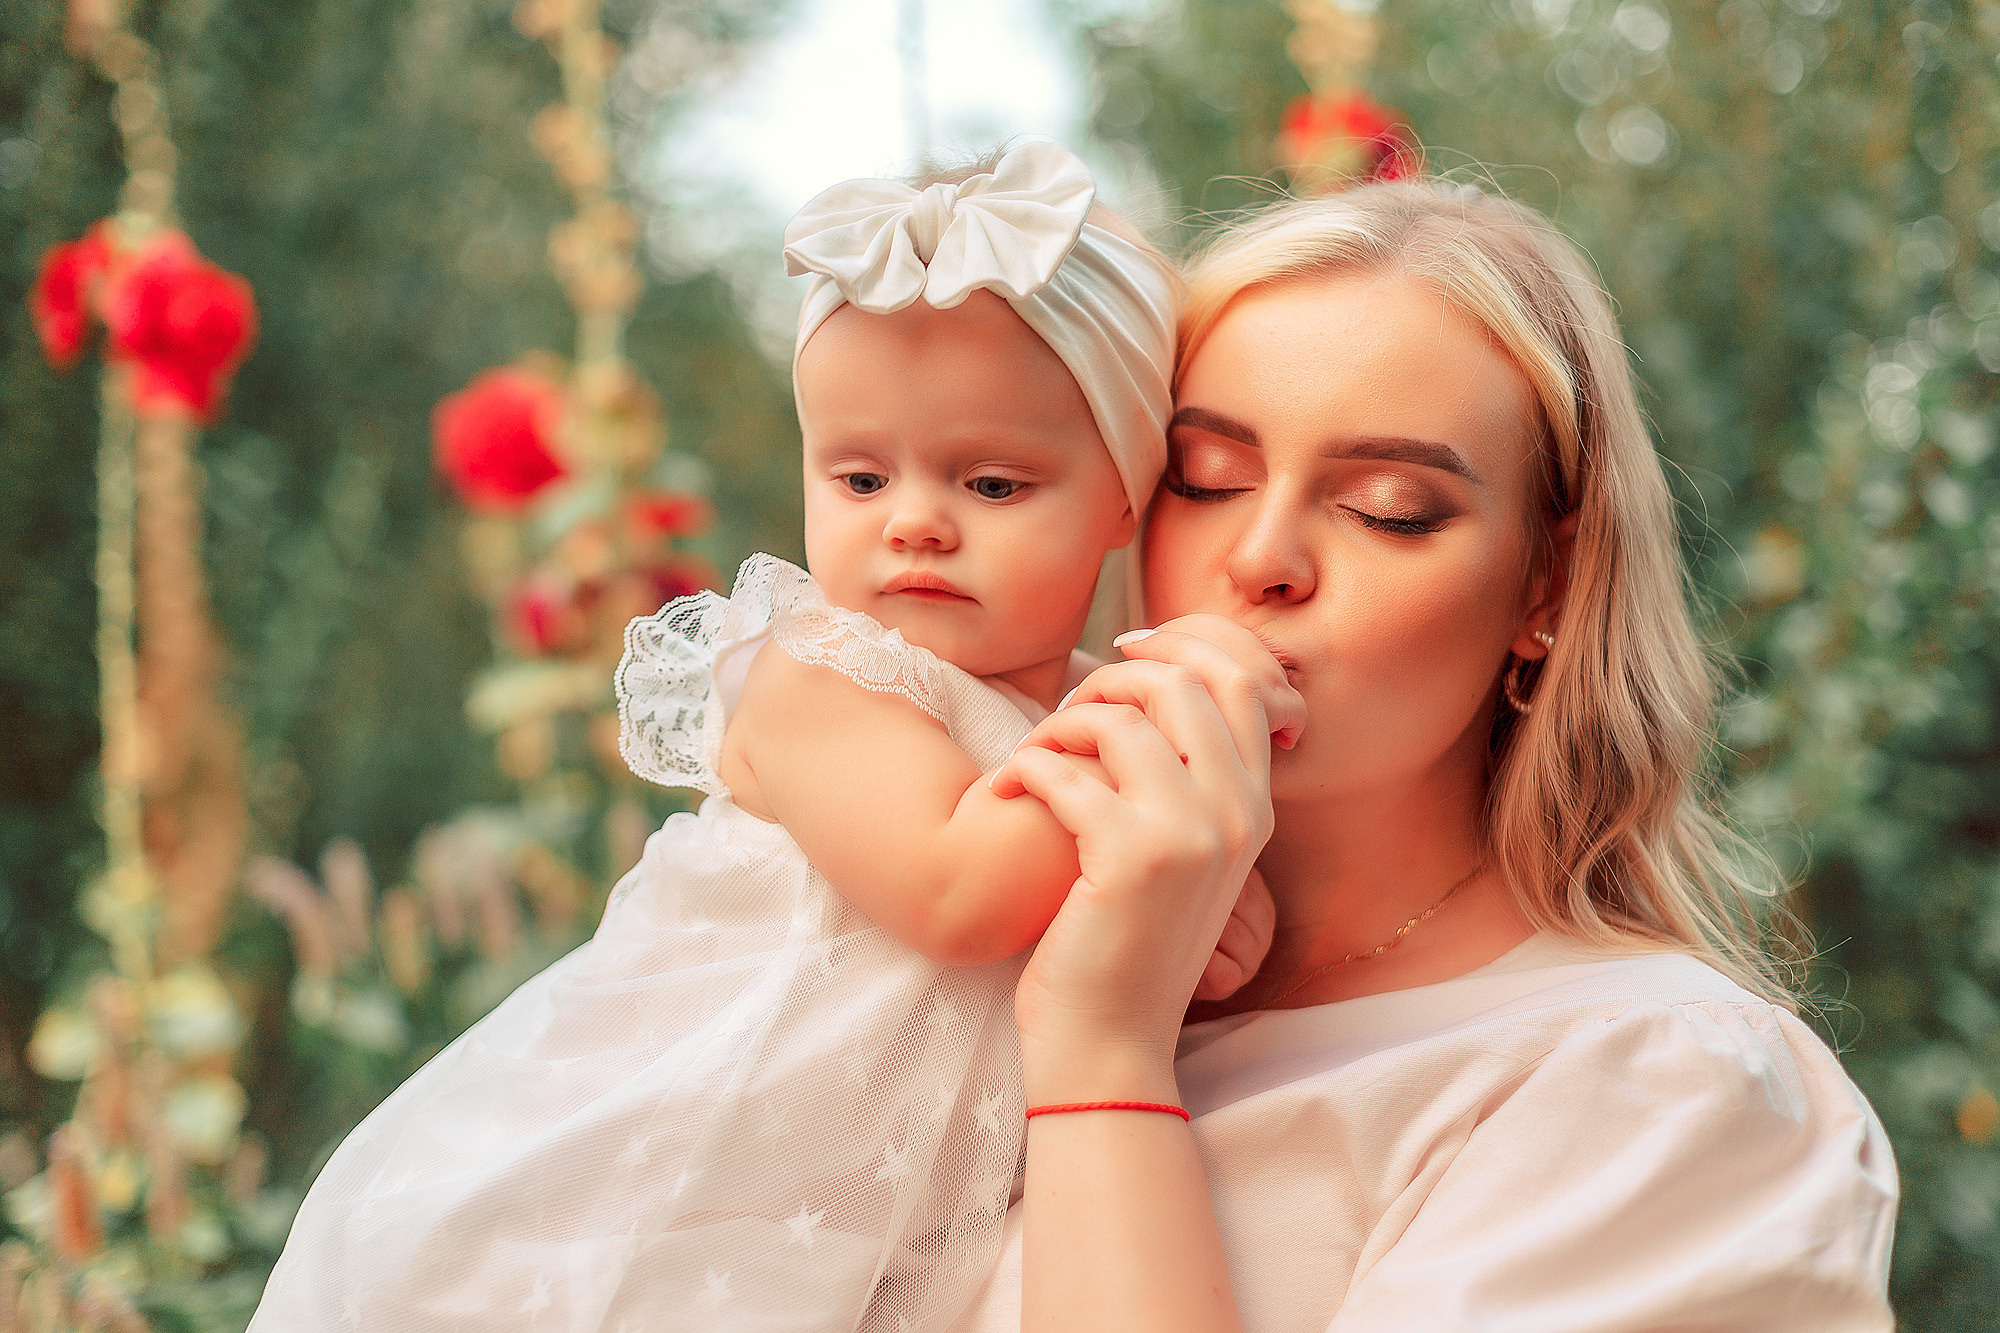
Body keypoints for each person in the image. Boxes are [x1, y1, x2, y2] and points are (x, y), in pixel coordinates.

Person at [248, 142, 1278, 1333]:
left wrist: (1184, 908)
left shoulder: (1073, 719)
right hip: (642, 1192)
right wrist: (1179, 746)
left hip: (829, 1246)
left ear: (1124, 494)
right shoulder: (820, 674)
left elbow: (1099, 927)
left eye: (990, 485)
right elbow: (959, 889)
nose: (913, 524)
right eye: (856, 476)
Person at [953, 180, 1899, 1330]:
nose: (1259, 558)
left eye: (1389, 509)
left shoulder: (1653, 1088)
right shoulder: (955, 958)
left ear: (1544, 586)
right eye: (1204, 479)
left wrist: (1104, 1051)